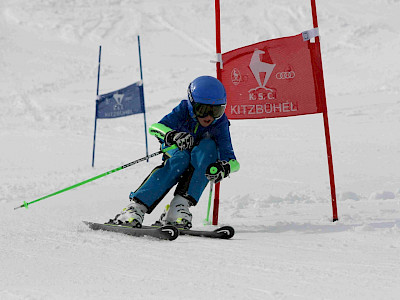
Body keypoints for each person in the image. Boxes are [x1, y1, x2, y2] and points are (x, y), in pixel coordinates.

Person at [110, 76, 240, 229]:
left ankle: (179, 207)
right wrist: (172, 135)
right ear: (192, 104)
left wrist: (224, 168)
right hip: (178, 150)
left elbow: (232, 161)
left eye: (216, 111)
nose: (209, 117)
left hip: (201, 158)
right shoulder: (183, 110)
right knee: (182, 158)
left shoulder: (220, 123)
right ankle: (136, 207)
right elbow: (155, 127)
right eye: (203, 110)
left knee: (209, 147)